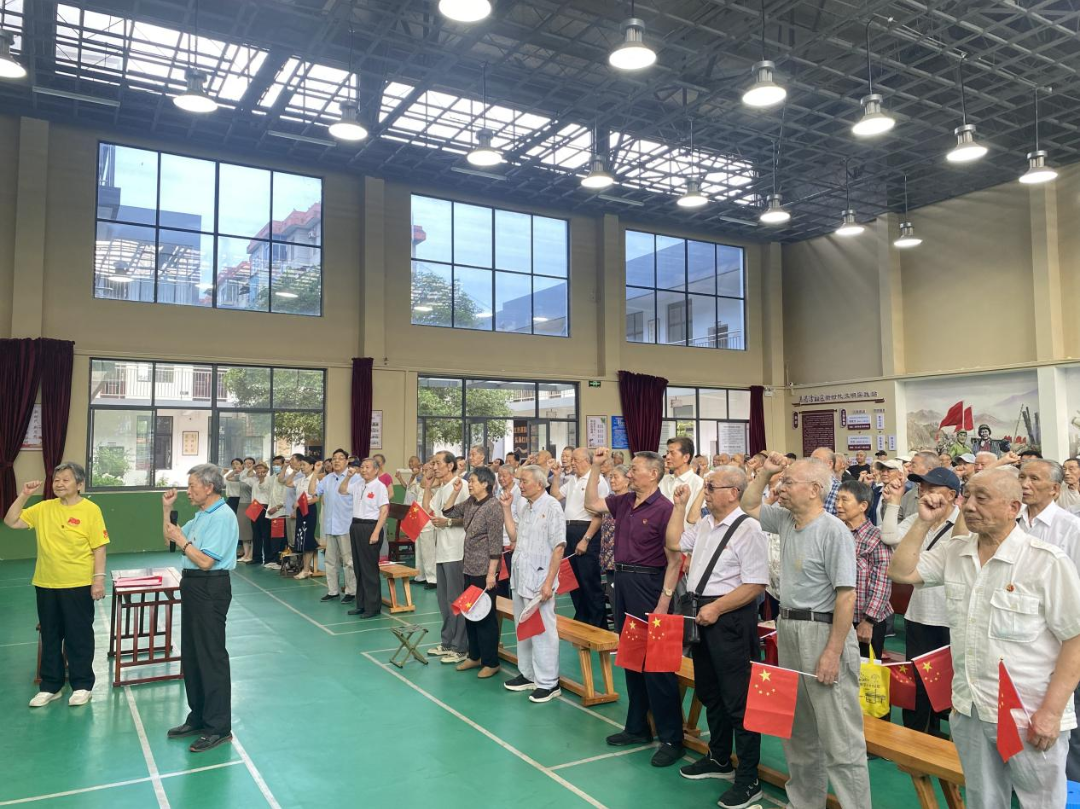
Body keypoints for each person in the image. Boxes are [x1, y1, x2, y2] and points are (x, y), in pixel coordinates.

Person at [889, 470, 1080, 808]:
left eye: (982, 498)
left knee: (1040, 802)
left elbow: (1074, 640)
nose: (969, 506)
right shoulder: (956, 553)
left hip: (1027, 713)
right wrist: (921, 522)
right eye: (968, 496)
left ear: (1013, 507)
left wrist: (1051, 713)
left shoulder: (1045, 562)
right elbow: (901, 572)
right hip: (971, 708)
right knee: (982, 800)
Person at [741, 453, 871, 808]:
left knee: (840, 738)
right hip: (789, 628)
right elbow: (748, 503)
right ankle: (804, 803)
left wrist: (833, 652)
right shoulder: (786, 520)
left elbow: (846, 597)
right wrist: (766, 471)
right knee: (797, 733)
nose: (781, 488)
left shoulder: (833, 531)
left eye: (788, 482)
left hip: (823, 632)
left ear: (814, 490)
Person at [667, 468, 767, 809]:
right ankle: (720, 758)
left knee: (739, 701)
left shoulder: (749, 528)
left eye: (711, 486)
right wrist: (679, 506)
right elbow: (674, 542)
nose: (705, 491)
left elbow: (755, 583)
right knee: (710, 692)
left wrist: (718, 608)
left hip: (729, 618)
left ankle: (749, 778)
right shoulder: (706, 524)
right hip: (702, 615)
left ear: (734, 492)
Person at [585, 447, 685, 767]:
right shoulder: (625, 501)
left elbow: (675, 560)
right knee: (632, 660)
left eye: (635, 469)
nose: (629, 473)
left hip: (650, 585)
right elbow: (591, 503)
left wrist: (664, 602)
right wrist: (595, 468)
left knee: (657, 666)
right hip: (623, 583)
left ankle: (672, 738)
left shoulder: (665, 509)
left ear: (653, 474)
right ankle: (638, 727)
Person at [5, 463, 108, 708]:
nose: (59, 484)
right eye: (56, 480)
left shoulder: (91, 510)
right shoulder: (43, 508)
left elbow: (99, 547)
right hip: (46, 582)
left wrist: (98, 579)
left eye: (65, 479)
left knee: (78, 635)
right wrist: (24, 495)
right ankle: (51, 686)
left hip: (78, 583)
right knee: (50, 635)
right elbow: (11, 521)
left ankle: (82, 685)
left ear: (79, 484)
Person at [161, 464, 239, 753]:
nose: (188, 491)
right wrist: (167, 509)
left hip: (210, 586)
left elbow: (205, 561)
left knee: (210, 655)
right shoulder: (202, 515)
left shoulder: (222, 517)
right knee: (193, 654)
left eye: (192, 485)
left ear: (209, 487)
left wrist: (183, 541)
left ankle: (218, 727)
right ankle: (198, 716)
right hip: (193, 584)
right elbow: (170, 536)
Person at [880, 465, 962, 735]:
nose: (924, 492)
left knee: (948, 685)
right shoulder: (918, 518)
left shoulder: (963, 523)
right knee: (918, 683)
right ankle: (916, 739)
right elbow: (889, 537)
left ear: (951, 495)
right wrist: (893, 503)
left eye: (932, 488)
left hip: (949, 618)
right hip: (919, 614)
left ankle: (943, 739)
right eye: (922, 487)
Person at [500, 464, 567, 703]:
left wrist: (549, 582)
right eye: (520, 481)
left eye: (524, 481)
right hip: (521, 576)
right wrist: (506, 509)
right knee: (524, 628)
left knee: (543, 632)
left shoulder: (552, 507)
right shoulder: (525, 506)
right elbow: (514, 537)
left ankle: (549, 682)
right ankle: (528, 674)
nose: (520, 485)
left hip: (540, 581)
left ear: (539, 484)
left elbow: (559, 547)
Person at [442, 466, 504, 678]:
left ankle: (491, 661)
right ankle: (474, 655)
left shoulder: (493, 507)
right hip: (469, 566)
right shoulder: (470, 502)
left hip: (484, 569)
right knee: (469, 612)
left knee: (485, 615)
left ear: (485, 484)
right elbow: (447, 511)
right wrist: (454, 491)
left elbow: (495, 544)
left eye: (473, 481)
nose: (470, 484)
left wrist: (491, 573)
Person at [549, 447, 608, 627]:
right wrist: (556, 476)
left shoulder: (597, 480)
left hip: (586, 531)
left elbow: (599, 514)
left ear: (587, 461)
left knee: (589, 581)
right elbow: (555, 496)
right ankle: (582, 619)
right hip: (569, 530)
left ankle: (598, 625)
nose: (572, 462)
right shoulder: (573, 480)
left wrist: (586, 539)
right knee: (572, 580)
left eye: (575, 459)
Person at [835, 481, 892, 657]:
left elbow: (882, 582)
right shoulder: (834, 532)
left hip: (863, 620)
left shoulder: (876, 538)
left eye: (844, 500)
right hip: (836, 616)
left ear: (863, 506)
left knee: (864, 670)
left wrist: (868, 621)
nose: (838, 505)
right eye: (837, 499)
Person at [423, 451, 469, 662]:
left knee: (456, 600)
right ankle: (447, 642)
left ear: (450, 465)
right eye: (432, 463)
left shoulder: (461, 485)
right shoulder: (442, 488)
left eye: (437, 463)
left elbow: (469, 516)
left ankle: (460, 647)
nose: (434, 467)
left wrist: (448, 522)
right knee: (443, 601)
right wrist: (427, 486)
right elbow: (427, 510)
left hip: (456, 551)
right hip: (441, 551)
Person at [341, 458, 390, 619]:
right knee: (359, 568)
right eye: (362, 467)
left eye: (367, 467)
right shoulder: (358, 484)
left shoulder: (379, 487)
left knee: (369, 569)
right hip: (356, 526)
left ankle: (373, 607)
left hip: (370, 527)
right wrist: (348, 476)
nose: (363, 470)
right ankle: (361, 604)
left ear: (376, 470)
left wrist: (376, 532)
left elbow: (384, 511)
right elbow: (342, 490)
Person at [310, 449, 356, 605]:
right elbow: (312, 492)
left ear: (347, 461)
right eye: (334, 458)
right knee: (330, 561)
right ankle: (333, 591)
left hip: (346, 525)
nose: (336, 461)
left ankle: (351, 591)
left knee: (348, 561)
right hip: (330, 526)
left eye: (340, 458)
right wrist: (315, 472)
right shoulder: (327, 478)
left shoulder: (355, 478)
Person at [284, 456, 320, 579]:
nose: (302, 467)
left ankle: (306, 570)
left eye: (304, 465)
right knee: (301, 539)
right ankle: (305, 568)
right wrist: (294, 471)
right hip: (300, 511)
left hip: (309, 510)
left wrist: (300, 504)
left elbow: (315, 498)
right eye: (301, 465)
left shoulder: (314, 480)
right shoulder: (301, 479)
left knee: (307, 539)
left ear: (312, 466)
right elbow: (288, 483)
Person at [660, 436, 704, 529]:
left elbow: (698, 517)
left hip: (685, 535)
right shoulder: (662, 480)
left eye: (672, 453)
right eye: (667, 453)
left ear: (686, 457)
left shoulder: (699, 484)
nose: (667, 457)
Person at [494, 464, 521, 599]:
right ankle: (503, 606)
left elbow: (521, 519)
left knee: (515, 580)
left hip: (512, 543)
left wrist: (515, 540)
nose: (501, 478)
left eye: (504, 476)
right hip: (499, 541)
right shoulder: (498, 491)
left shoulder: (519, 492)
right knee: (500, 582)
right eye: (499, 476)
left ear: (512, 476)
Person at [225, 457, 256, 562]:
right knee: (243, 530)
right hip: (242, 504)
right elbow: (228, 477)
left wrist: (250, 471)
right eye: (246, 463)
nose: (248, 465)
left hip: (252, 504)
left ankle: (251, 555)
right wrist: (235, 470)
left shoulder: (256, 477)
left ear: (254, 464)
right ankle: (245, 555)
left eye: (250, 463)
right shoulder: (242, 475)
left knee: (252, 531)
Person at [901, 452, 941, 521]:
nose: (909, 469)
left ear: (929, 469)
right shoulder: (909, 494)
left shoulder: (942, 496)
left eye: (913, 466)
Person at [809, 448, 842, 516]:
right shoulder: (806, 486)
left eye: (816, 460)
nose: (811, 464)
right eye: (811, 461)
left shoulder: (839, 489)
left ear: (830, 464)